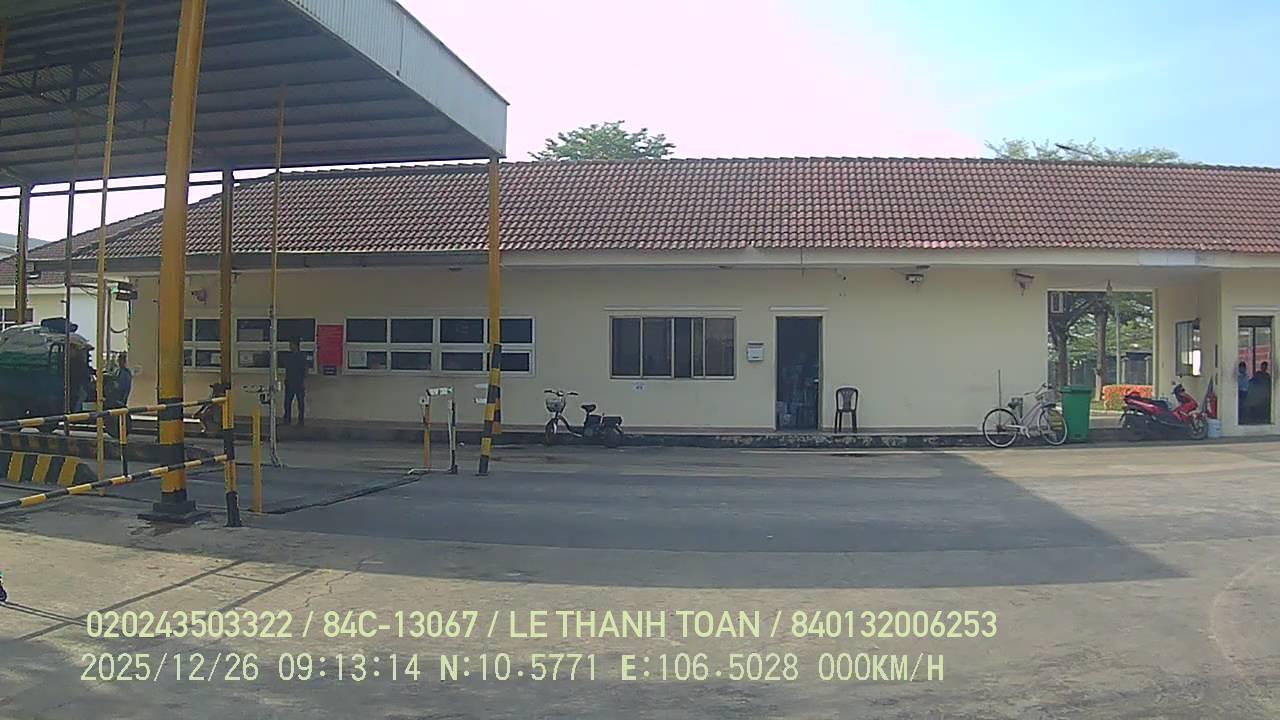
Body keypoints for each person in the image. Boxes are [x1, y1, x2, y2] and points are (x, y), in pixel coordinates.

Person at [283, 339, 307, 427]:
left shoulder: (301, 357)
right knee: (287, 403)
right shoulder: (289, 356)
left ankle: (301, 421)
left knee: (300, 403)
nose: (290, 347)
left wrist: (303, 381)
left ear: (296, 346)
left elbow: (305, 370)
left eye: (292, 345)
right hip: (290, 382)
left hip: (298, 382)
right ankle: (287, 419)